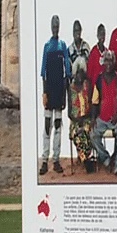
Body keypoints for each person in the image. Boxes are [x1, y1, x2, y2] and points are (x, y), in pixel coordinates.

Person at [40, 15, 71, 175]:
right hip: (49, 90)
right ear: (50, 27)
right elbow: (43, 72)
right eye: (53, 25)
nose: (55, 28)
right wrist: (44, 93)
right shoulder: (47, 46)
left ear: (59, 27)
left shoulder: (62, 45)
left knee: (58, 125)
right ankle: (44, 160)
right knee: (47, 125)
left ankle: (56, 160)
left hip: (59, 91)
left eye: (57, 25)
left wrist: (65, 96)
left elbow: (67, 72)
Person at [90, 50, 117, 179]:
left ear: (114, 62)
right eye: (106, 60)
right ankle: (106, 159)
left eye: (111, 60)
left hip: (116, 118)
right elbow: (94, 101)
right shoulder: (99, 79)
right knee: (92, 134)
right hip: (103, 118)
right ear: (103, 62)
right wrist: (93, 118)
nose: (108, 63)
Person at [67, 57, 94, 173]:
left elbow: (92, 105)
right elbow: (69, 112)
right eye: (77, 73)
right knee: (77, 133)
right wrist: (77, 119)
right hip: (75, 120)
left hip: (86, 119)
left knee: (87, 130)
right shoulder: (70, 88)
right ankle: (86, 160)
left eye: (82, 73)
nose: (79, 76)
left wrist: (85, 118)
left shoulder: (88, 86)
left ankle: (85, 157)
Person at [87, 24, 106, 96]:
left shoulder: (107, 52)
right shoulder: (94, 52)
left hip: (104, 89)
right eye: (100, 34)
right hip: (95, 89)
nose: (102, 37)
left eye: (103, 34)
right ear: (97, 35)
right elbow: (89, 73)